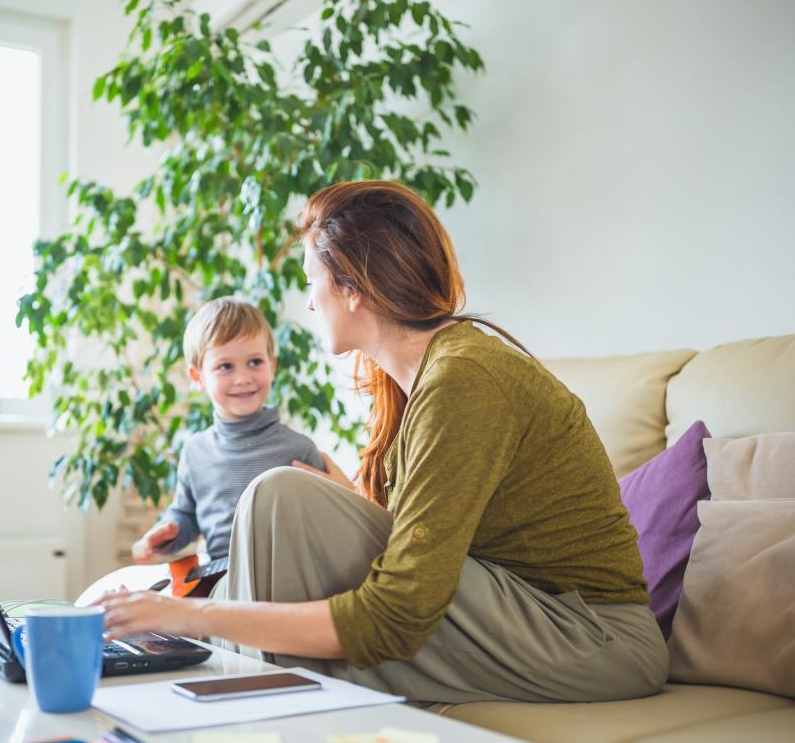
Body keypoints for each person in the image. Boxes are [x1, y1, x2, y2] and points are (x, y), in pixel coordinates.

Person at [95, 180, 668, 706]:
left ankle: (245, 699)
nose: (309, 300)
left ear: (350, 288)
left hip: (592, 638)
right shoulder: (416, 380)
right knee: (282, 496)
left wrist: (191, 615)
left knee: (279, 503)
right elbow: (420, 542)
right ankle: (245, 700)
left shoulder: (464, 379)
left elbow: (398, 614)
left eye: (311, 280)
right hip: (517, 608)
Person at [130, 296, 324, 595]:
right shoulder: (195, 452)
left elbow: (322, 535)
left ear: (272, 366)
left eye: (255, 362)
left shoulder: (298, 450)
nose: (243, 378)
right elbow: (186, 515)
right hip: (220, 587)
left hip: (285, 588)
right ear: (198, 377)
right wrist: (168, 531)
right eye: (225, 366)